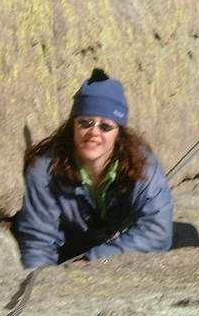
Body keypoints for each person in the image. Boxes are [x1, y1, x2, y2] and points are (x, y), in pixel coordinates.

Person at [13, 68, 173, 268]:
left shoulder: (143, 165)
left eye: (105, 126)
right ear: (73, 126)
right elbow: (39, 240)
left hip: (116, 244)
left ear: (119, 133)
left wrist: (93, 260)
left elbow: (157, 232)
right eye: (85, 123)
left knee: (182, 235)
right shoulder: (44, 169)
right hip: (70, 247)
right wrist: (43, 284)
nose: (93, 132)